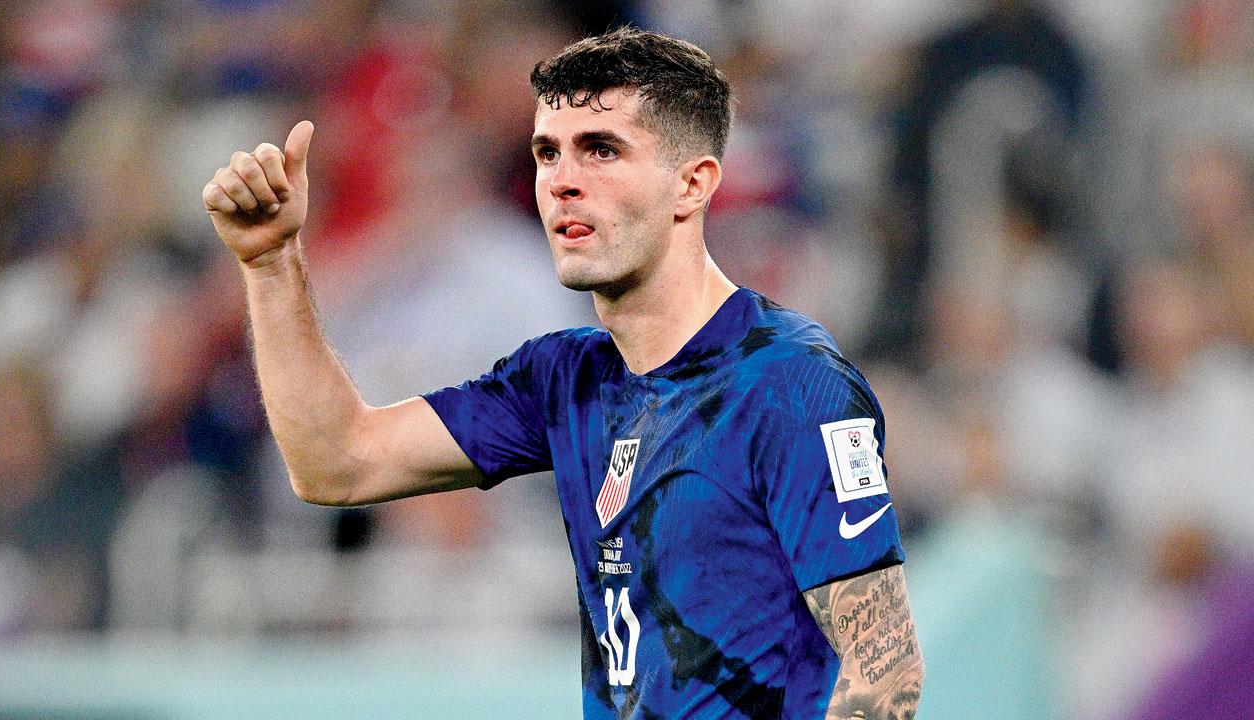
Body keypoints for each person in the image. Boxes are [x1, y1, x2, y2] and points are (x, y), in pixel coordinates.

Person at [202, 27, 923, 720]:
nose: (563, 183)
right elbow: (336, 463)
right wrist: (270, 265)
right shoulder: (564, 380)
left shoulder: (792, 386)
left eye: (601, 151)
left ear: (693, 185)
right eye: (548, 154)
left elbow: (885, 673)